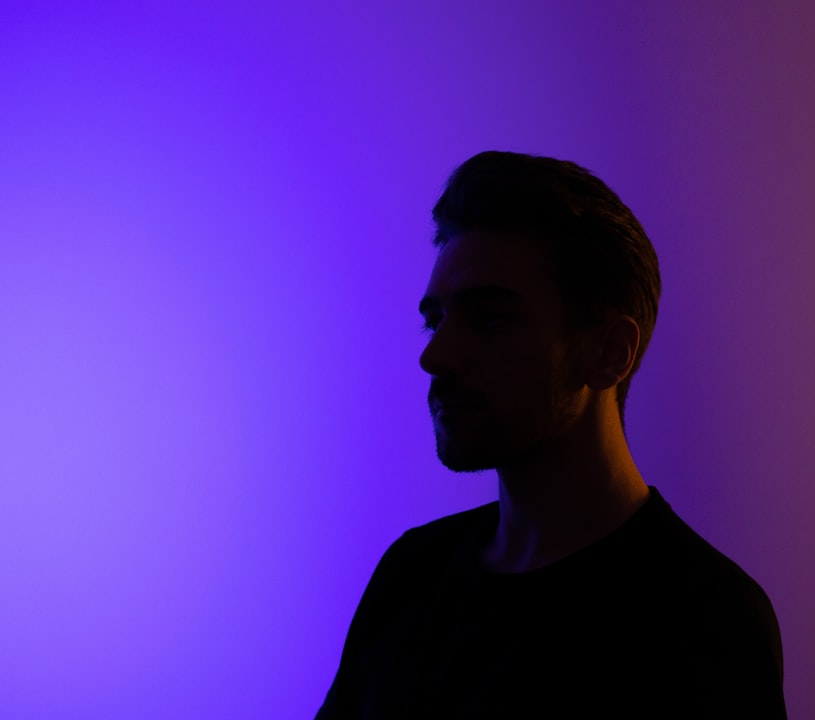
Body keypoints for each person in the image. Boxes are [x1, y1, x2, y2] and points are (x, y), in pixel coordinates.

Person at [315, 151, 786, 718]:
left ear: (609, 352)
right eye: (435, 320)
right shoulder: (410, 576)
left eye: (490, 319)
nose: (435, 356)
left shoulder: (706, 621)